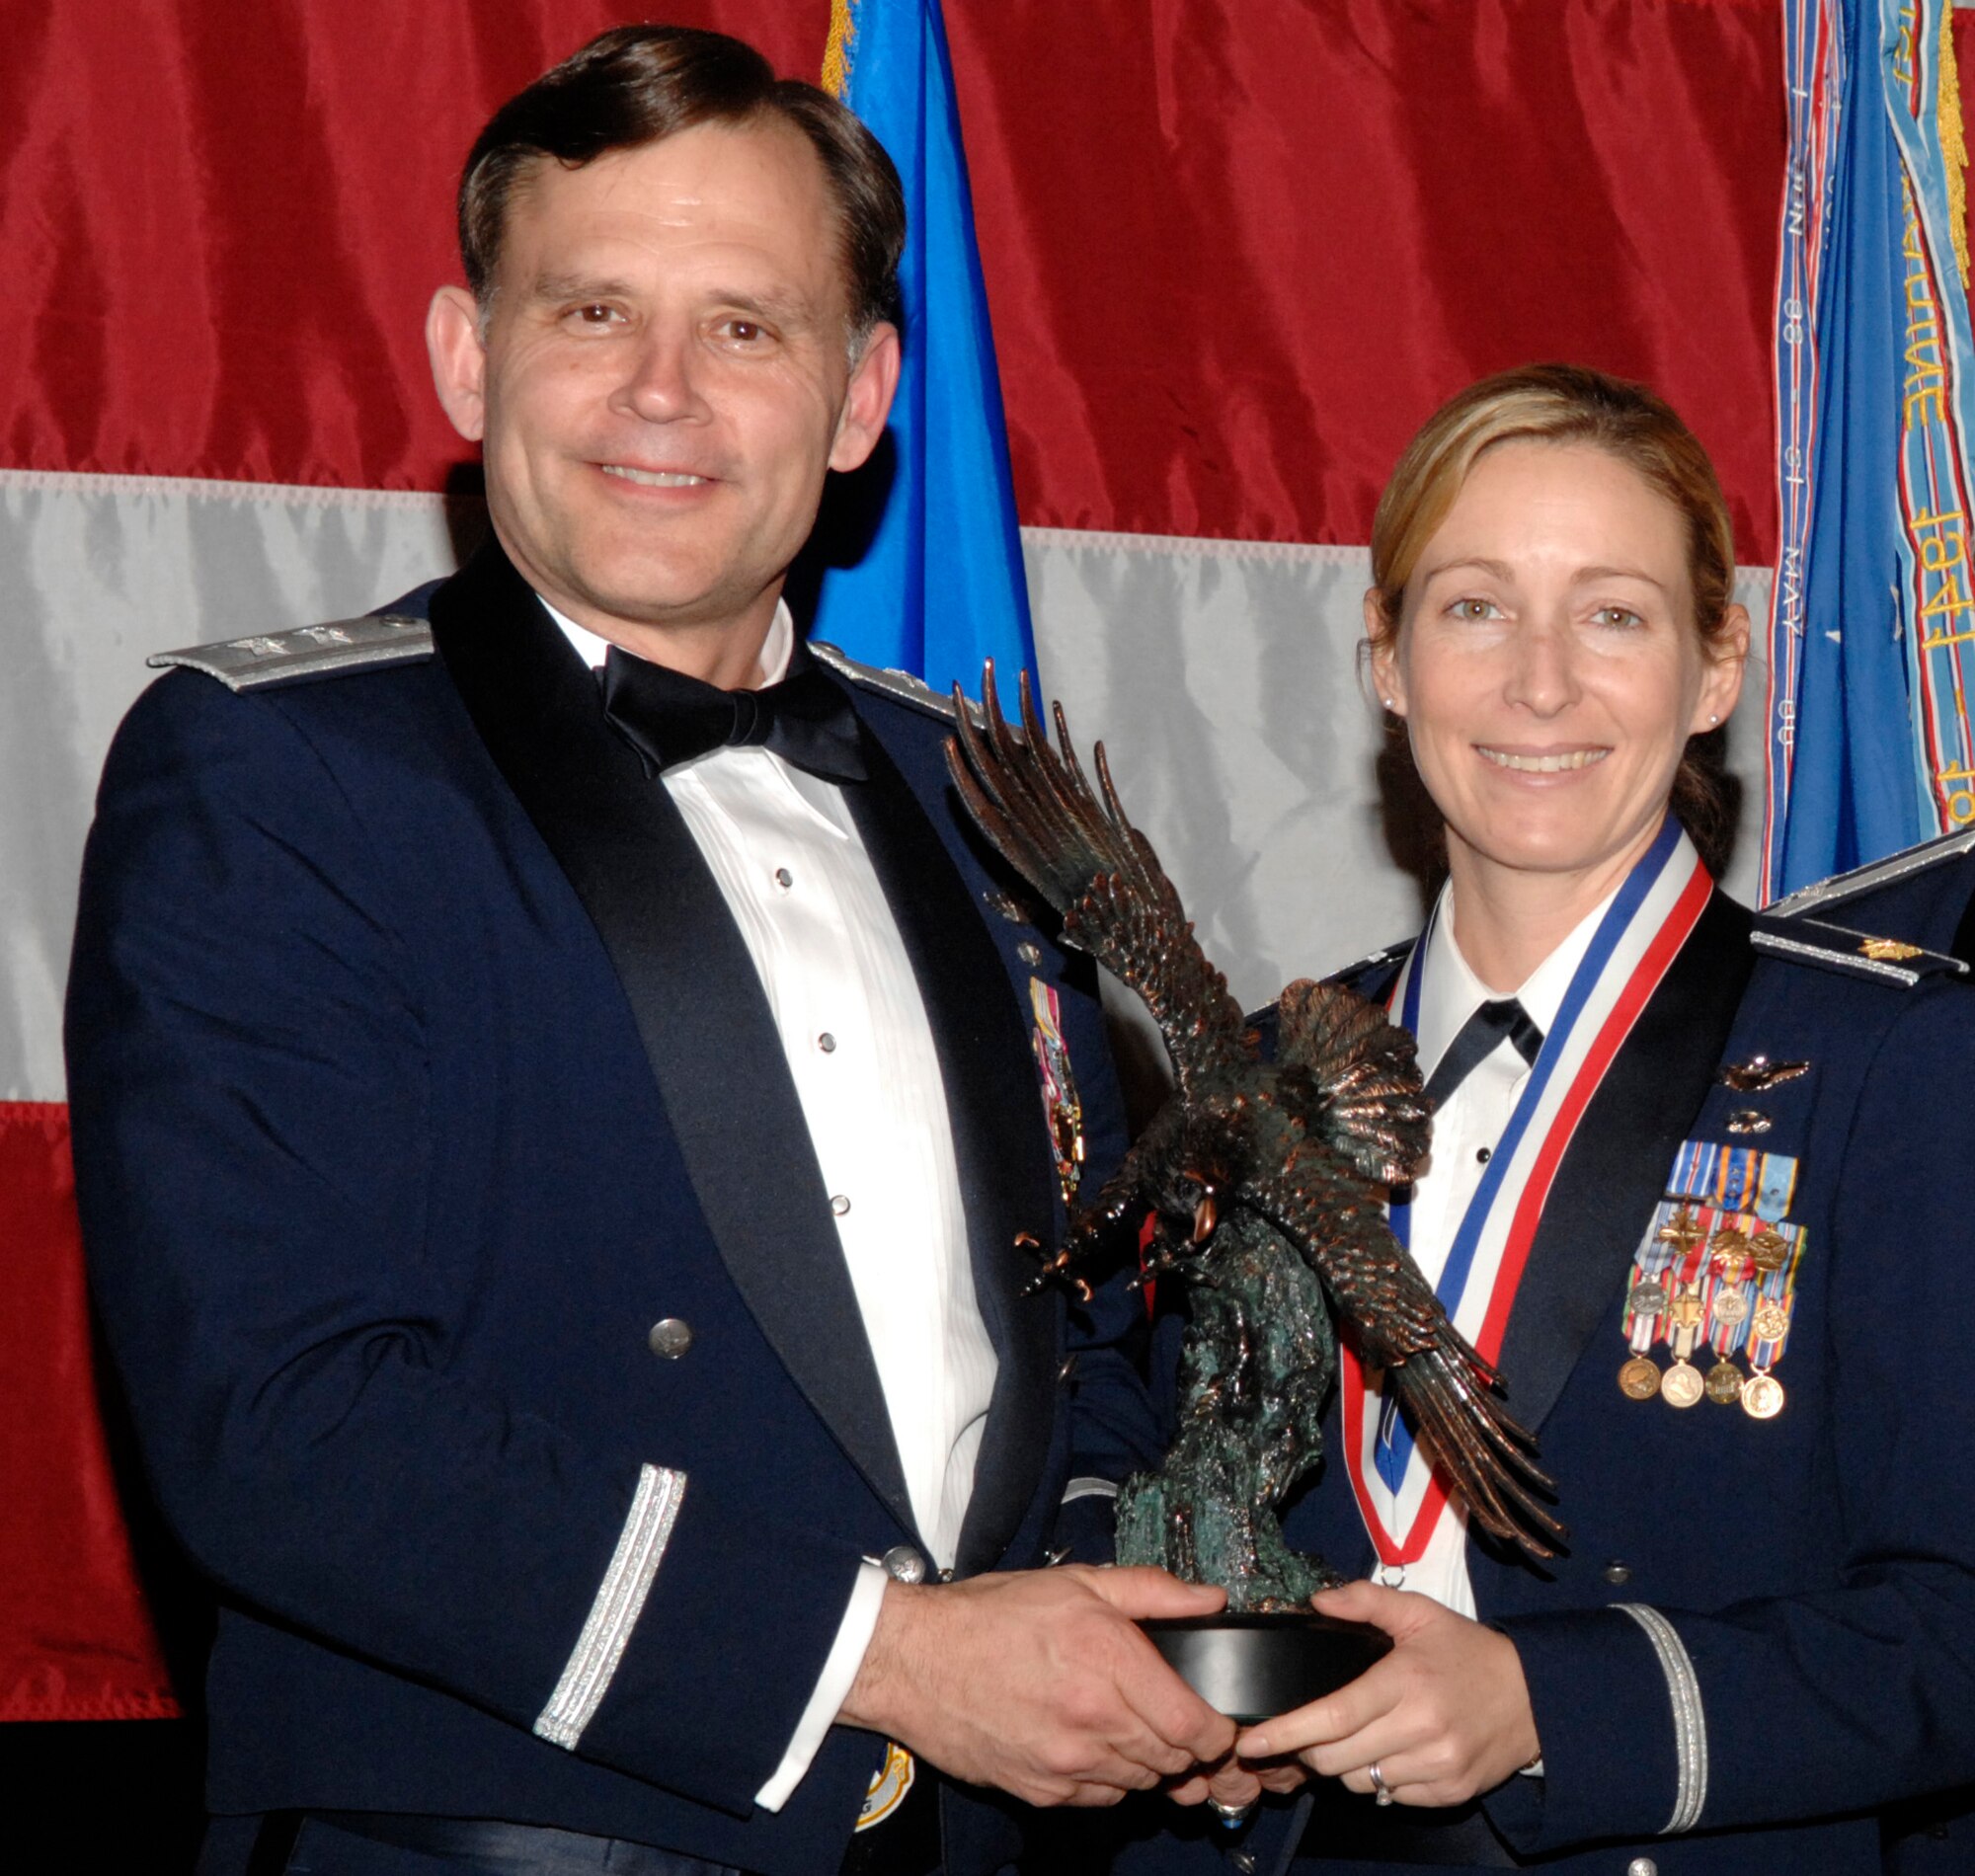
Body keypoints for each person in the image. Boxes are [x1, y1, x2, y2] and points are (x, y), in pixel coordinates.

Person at [63, 26, 1236, 1876]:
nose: (663, 394)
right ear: (469, 356)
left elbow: (1077, 1323)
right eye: (593, 312)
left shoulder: (975, 794)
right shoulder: (282, 770)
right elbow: (282, 1425)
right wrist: (890, 1658)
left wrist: (1146, 1631)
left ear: (862, 401)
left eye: (748, 328)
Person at [1133, 363, 1975, 1876]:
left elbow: (1959, 1623)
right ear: (1385, 659)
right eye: (1471, 608)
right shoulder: (1260, 1071)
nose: (1537, 684)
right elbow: (1141, 1441)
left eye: (1613, 615)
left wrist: (1556, 1707)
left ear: (1716, 669)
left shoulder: (1899, 1060)